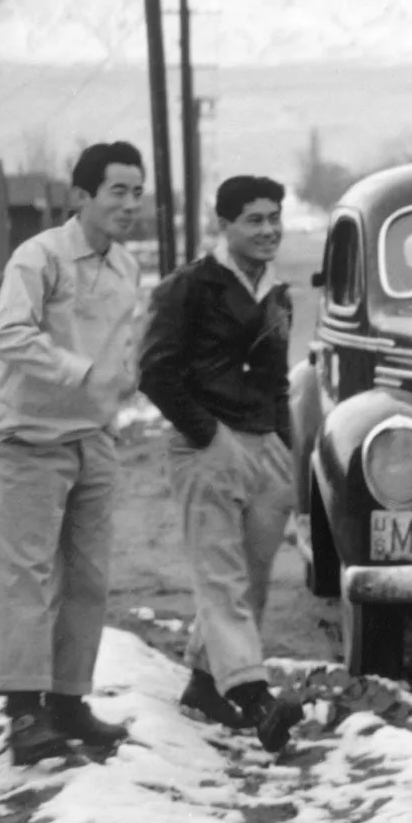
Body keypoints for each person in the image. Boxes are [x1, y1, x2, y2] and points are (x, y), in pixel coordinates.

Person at [0, 141, 148, 765]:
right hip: (26, 442)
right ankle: (24, 715)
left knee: (87, 579)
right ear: (81, 196)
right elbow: (8, 335)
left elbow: (117, 350)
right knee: (24, 579)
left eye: (137, 192)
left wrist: (118, 388)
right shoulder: (40, 256)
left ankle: (68, 701)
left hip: (92, 441)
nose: (130, 204)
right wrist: (80, 372)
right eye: (117, 191)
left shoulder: (126, 268)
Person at [138, 173, 304, 754]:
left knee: (251, 581)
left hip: (265, 449)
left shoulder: (278, 293)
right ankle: (257, 701)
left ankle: (205, 687)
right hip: (207, 446)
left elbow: (279, 382)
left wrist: (284, 446)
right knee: (222, 580)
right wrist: (209, 434)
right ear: (223, 224)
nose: (269, 230)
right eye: (254, 220)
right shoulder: (189, 287)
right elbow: (154, 372)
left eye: (275, 218)